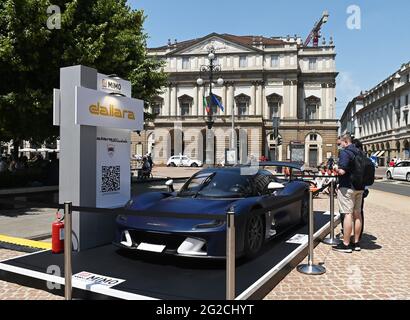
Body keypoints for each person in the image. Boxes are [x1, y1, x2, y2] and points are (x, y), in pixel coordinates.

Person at [333, 134, 364, 253]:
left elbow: (342, 171)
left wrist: (336, 168)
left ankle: (345, 244)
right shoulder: (360, 152)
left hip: (347, 187)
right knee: (358, 215)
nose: (340, 146)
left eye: (340, 143)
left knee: (347, 215)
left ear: (345, 142)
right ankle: (356, 243)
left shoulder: (345, 152)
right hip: (360, 187)